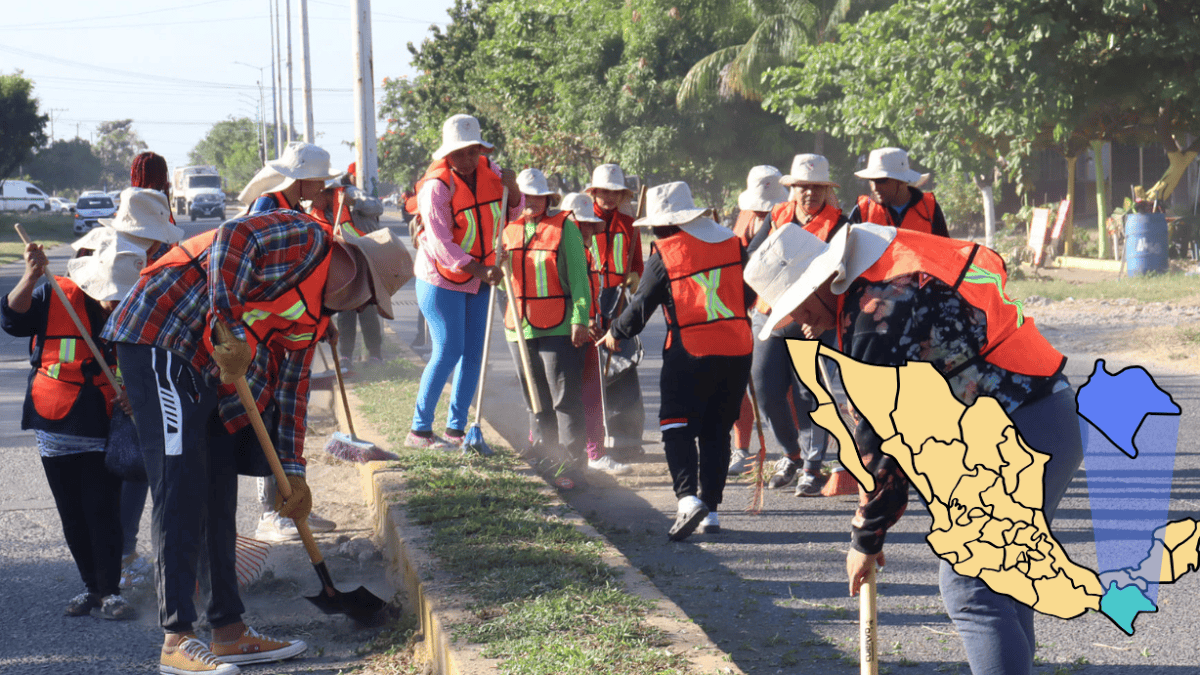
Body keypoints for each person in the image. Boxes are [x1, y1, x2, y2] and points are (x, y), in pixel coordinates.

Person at [749, 222, 1080, 675]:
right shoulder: (875, 283)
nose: (799, 322)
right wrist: (870, 519)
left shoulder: (873, 318)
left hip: (1019, 432)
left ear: (823, 282)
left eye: (798, 308)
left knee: (972, 587)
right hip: (1046, 417)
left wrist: (865, 538)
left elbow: (886, 451)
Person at [103, 209, 407, 675]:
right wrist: (231, 326)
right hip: (160, 338)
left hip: (210, 370)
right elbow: (233, 237)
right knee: (180, 486)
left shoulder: (312, 321)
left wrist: (294, 473)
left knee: (220, 493)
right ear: (355, 275)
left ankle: (227, 631)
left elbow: (292, 395)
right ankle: (176, 639)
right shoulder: (306, 238)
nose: (360, 311)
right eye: (369, 301)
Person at [3, 228, 144, 621]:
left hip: (106, 421)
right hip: (54, 417)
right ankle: (91, 588)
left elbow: (151, 359)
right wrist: (30, 277)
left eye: (121, 295)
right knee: (72, 514)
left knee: (103, 508)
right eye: (109, 294)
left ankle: (111, 591)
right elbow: (12, 320)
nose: (115, 303)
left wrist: (137, 392)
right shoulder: (56, 293)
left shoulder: (137, 304)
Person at [602, 182, 753, 540]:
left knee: (676, 425)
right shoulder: (734, 244)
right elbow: (749, 293)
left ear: (669, 225)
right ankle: (711, 511)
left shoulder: (665, 253)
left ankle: (687, 499)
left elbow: (640, 309)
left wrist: (615, 333)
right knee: (717, 431)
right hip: (736, 349)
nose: (654, 231)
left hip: (690, 350)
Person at [73, 184, 185, 586]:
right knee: (122, 469)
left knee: (138, 464)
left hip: (133, 376)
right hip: (97, 384)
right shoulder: (106, 258)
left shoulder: (153, 261)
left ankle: (135, 555)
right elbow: (101, 325)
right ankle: (118, 557)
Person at [240, 143, 344, 542]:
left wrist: (321, 319)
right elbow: (267, 277)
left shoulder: (294, 209)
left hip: (288, 331)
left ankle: (292, 503)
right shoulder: (267, 210)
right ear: (302, 179)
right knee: (270, 417)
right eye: (319, 180)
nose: (323, 188)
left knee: (289, 417)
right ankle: (271, 512)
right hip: (266, 334)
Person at [408, 114, 521, 449]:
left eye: (473, 151)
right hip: (440, 279)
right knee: (448, 350)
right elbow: (440, 242)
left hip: (481, 277)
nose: (468, 159)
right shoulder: (436, 187)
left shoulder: (495, 173)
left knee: (474, 353)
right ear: (447, 155)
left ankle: (456, 430)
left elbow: (513, 214)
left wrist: (513, 190)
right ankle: (419, 431)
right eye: (460, 153)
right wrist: (479, 269)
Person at [746, 154, 848, 496]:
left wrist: (824, 321)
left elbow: (845, 278)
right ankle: (789, 453)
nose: (809, 194)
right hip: (771, 313)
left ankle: (812, 465)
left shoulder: (840, 224)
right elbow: (753, 258)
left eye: (817, 188)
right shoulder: (777, 215)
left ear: (826, 191)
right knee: (763, 386)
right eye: (803, 187)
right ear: (792, 189)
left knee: (810, 392)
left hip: (813, 322)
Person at [502, 170, 594, 483]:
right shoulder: (507, 231)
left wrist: (581, 318)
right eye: (525, 196)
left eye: (537, 196)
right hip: (519, 327)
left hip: (559, 326)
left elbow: (581, 279)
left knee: (564, 398)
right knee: (535, 398)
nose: (530, 202)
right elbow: (503, 281)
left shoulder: (565, 228)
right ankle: (546, 453)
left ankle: (571, 462)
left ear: (547, 198)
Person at [559, 191, 632, 476]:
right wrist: (585, 319)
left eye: (591, 224)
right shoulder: (561, 252)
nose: (589, 229)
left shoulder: (587, 251)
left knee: (590, 392)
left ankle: (593, 453)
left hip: (585, 332)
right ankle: (555, 451)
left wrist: (594, 318)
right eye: (582, 224)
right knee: (566, 395)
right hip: (562, 333)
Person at [727, 165, 788, 475]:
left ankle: (793, 453)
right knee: (740, 382)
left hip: (780, 309)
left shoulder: (790, 220)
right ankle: (741, 449)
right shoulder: (743, 219)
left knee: (781, 385)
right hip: (744, 308)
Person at [585, 164, 646, 459]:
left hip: (620, 297)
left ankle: (627, 437)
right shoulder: (581, 221)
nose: (609, 197)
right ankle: (592, 436)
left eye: (615, 192)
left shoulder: (628, 222)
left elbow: (637, 262)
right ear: (593, 192)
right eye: (604, 191)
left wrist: (634, 277)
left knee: (624, 363)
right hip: (591, 295)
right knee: (590, 366)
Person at [312, 163, 388, 371]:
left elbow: (377, 207)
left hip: (365, 261)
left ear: (326, 192)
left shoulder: (349, 193)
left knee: (368, 309)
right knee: (345, 310)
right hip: (342, 265)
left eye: (315, 194)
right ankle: (345, 356)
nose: (311, 199)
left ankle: (375, 355)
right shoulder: (318, 211)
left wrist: (354, 202)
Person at [846, 147, 948, 237]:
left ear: (901, 181)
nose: (875, 188)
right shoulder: (863, 210)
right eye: (872, 181)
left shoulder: (929, 209)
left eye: (881, 180)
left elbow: (945, 251)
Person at [246, 141, 341, 214]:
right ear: (300, 179)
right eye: (319, 181)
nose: (322, 187)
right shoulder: (266, 204)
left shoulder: (296, 208)